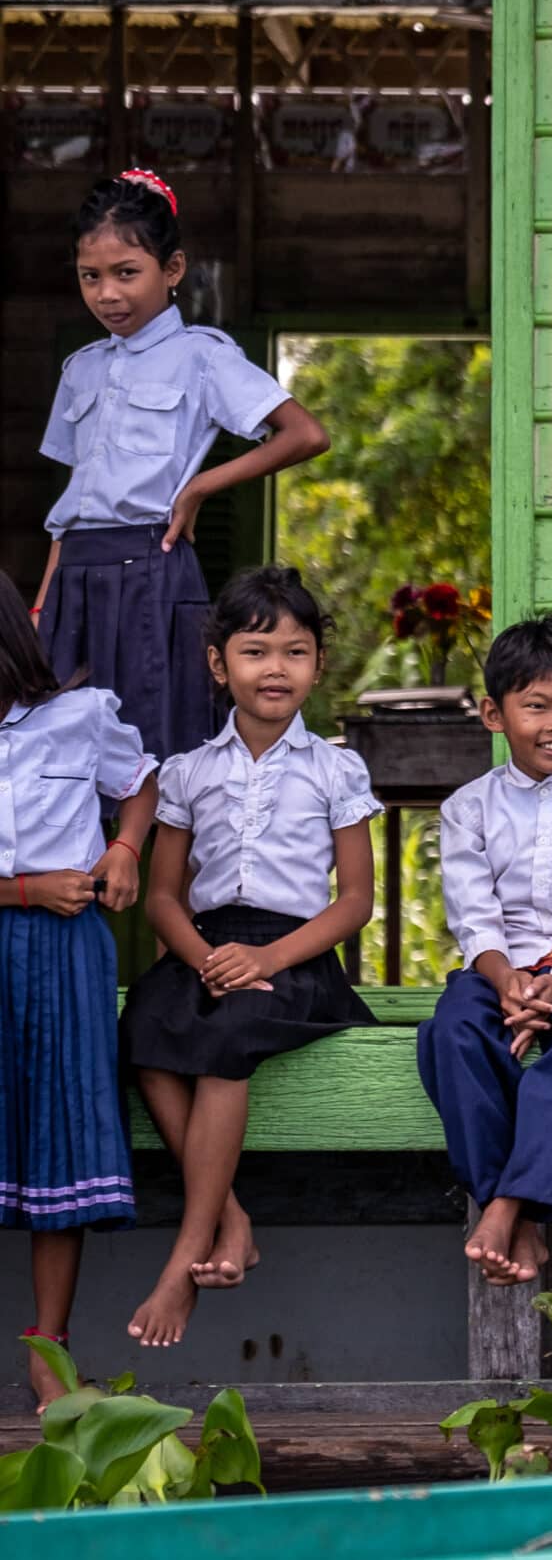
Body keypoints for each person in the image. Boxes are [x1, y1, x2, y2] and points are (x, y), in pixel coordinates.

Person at [122, 567, 379, 1348]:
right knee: (143, 1027)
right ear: (217, 663)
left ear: (317, 664)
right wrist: (208, 958)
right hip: (208, 950)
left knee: (228, 1036)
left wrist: (264, 958)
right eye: (256, 650)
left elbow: (354, 901)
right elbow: (163, 896)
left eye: (295, 651)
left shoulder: (337, 769)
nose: (276, 668)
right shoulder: (189, 771)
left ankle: (184, 1256)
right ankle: (230, 1216)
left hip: (295, 954)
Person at [34, 171, 330, 760]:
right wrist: (44, 601)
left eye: (126, 274)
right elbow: (71, 506)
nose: (107, 295)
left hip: (151, 570)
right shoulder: (80, 369)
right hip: (74, 578)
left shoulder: (202, 356)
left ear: (172, 270)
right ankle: (91, 859)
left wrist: (199, 487)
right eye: (90, 277)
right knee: (59, 749)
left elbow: (305, 434)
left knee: (157, 749)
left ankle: (159, 855)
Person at [416, 615, 552, 1287]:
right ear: (494, 712)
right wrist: (509, 982)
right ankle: (526, 1218)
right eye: (536, 705)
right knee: (452, 1032)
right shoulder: (467, 807)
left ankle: (504, 1203)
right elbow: (472, 913)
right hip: (497, 968)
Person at [0, 572, 157, 1407]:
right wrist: (23, 890)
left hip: (66, 955)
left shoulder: (80, 715)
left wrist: (126, 849)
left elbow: (138, 784)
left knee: (56, 1141)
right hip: (24, 918)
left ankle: (48, 1351)